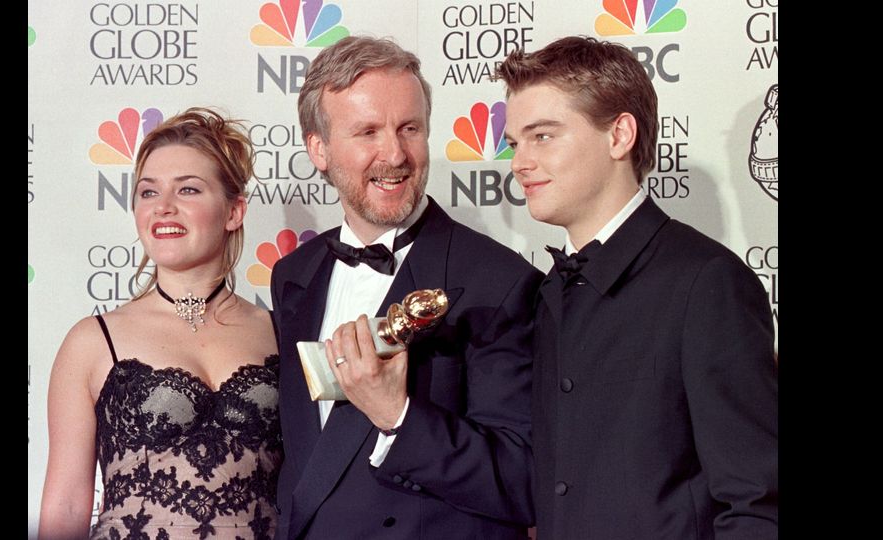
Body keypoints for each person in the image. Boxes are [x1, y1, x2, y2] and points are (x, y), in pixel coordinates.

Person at [496, 36, 778, 539]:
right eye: (516, 143)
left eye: (543, 136)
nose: (519, 163)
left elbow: (757, 501)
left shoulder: (706, 282)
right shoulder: (548, 293)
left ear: (619, 134)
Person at [269, 36, 543, 539]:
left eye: (409, 129)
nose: (394, 154)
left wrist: (398, 415)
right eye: (367, 131)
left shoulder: (499, 284)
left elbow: (523, 479)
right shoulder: (293, 275)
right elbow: (308, 460)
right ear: (319, 149)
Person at [39, 108, 282, 540]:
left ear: (234, 212)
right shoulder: (93, 341)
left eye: (188, 189)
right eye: (148, 193)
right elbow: (67, 505)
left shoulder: (281, 331)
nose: (163, 208)